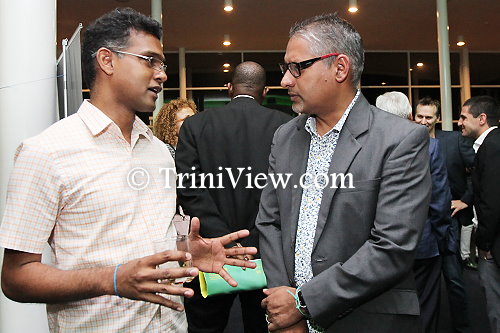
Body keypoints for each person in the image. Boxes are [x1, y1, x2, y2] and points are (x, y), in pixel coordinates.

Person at [0, 8, 256, 332]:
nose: (162, 74)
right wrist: (114, 279)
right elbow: (16, 277)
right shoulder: (46, 153)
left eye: (162, 63)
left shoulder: (159, 151)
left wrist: (189, 254)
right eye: (150, 60)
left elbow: (148, 244)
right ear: (107, 61)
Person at [256, 14, 431, 333]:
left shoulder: (399, 139)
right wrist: (284, 306)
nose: (285, 81)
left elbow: (392, 247)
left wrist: (304, 304)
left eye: (297, 67)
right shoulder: (285, 137)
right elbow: (270, 221)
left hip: (367, 320)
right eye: (285, 68)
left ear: (339, 67)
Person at [176, 61, 292, 333]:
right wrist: (252, 239)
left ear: (229, 88)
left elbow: (189, 188)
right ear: (264, 92)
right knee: (263, 326)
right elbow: (287, 190)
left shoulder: (195, 126)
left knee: (205, 326)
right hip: (266, 252)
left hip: (211, 252)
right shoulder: (286, 127)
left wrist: (223, 239)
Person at [377, 92, 454, 332]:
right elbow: (440, 199)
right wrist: (441, 238)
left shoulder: (365, 148)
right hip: (423, 241)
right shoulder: (429, 146)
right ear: (410, 115)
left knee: (383, 307)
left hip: (377, 244)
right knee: (426, 306)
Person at [416, 97, 474, 333]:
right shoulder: (408, 140)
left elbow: (479, 172)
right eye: (419, 116)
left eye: (429, 117)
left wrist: (466, 200)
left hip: (447, 222)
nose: (423, 121)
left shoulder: (453, 141)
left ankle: (462, 329)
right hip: (422, 229)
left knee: (454, 281)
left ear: (437, 119)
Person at [458, 95, 500, 333]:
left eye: (464, 117)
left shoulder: (492, 147)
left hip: (493, 245)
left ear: (481, 118)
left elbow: (492, 202)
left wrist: (484, 245)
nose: (460, 122)